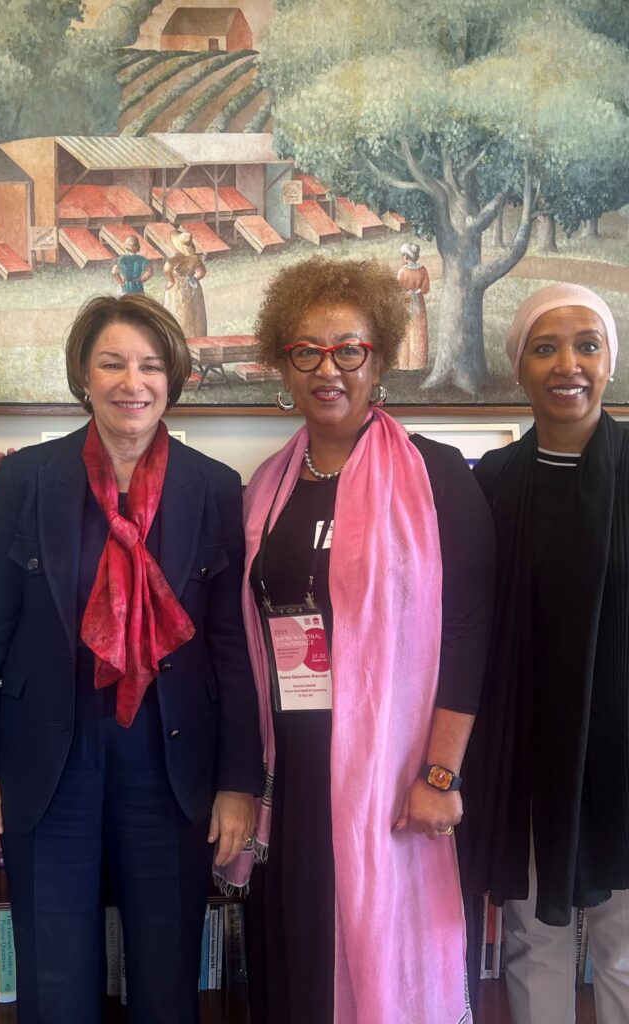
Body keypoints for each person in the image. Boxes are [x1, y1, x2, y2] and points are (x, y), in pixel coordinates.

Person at [0, 292, 263, 1024]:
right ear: (83, 375)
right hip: (50, 758)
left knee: (166, 982)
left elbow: (232, 647)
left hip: (171, 757)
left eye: (152, 365)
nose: (134, 382)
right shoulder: (27, 481)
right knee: (56, 981)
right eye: (113, 363)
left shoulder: (215, 488)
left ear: (174, 377)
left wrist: (238, 782)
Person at [217, 256, 495, 1024]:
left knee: (378, 958)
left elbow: (469, 634)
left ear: (380, 361)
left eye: (349, 349)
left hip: (396, 773)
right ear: (283, 361)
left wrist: (439, 776)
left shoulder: (436, 479)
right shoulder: (265, 487)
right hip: (293, 769)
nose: (327, 368)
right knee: (298, 960)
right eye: (306, 350)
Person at [461, 283, 629, 1024]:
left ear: (610, 364)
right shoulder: (490, 484)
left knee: (626, 942)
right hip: (530, 751)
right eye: (546, 347)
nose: (569, 364)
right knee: (536, 935)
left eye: (587, 345)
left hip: (625, 752)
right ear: (520, 369)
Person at [162, 229, 207, 338]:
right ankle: (195, 336)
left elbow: (166, 270)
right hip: (193, 287)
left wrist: (172, 281)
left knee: (178, 309)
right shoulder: (195, 258)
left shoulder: (174, 259)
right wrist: (192, 279)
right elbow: (202, 271)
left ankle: (178, 336)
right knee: (194, 311)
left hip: (177, 286)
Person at [396, 241, 430, 369]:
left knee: (406, 330)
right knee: (419, 330)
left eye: (403, 255)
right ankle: (419, 363)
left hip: (406, 302)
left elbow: (397, 288)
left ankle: (404, 363)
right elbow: (425, 289)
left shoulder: (402, 271)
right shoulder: (423, 270)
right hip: (419, 302)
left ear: (406, 256)